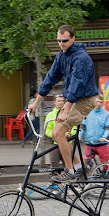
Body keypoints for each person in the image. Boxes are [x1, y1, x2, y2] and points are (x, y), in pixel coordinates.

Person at [28, 25, 98, 182]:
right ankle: (80, 168)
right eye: (59, 41)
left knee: (59, 132)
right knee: (55, 134)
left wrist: (66, 110)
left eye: (65, 40)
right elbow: (49, 79)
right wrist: (36, 103)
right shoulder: (61, 56)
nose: (61, 43)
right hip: (74, 100)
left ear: (73, 38)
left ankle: (71, 172)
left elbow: (76, 85)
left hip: (85, 100)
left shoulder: (81, 58)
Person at [79, 94, 109, 182]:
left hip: (101, 144)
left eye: (101, 102)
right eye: (97, 102)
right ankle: (86, 185)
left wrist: (104, 137)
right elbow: (82, 127)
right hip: (89, 143)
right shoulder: (87, 112)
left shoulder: (106, 114)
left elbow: (108, 127)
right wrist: (79, 137)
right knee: (86, 165)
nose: (99, 104)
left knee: (108, 165)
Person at [44, 94, 77, 176]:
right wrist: (55, 135)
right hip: (55, 144)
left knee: (69, 165)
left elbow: (75, 128)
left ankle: (71, 182)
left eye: (62, 101)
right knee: (54, 167)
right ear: (54, 102)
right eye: (59, 101)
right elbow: (47, 130)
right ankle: (53, 185)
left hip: (67, 142)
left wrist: (69, 134)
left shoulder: (69, 113)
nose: (61, 103)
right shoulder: (50, 115)